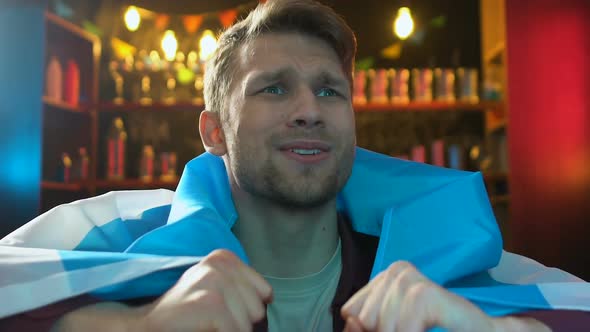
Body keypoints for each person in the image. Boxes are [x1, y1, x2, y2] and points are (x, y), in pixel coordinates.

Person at [1, 0, 589, 331]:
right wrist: (138, 327)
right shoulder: (122, 240)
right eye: (274, 90)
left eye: (330, 91)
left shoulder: (448, 263)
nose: (310, 111)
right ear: (214, 133)